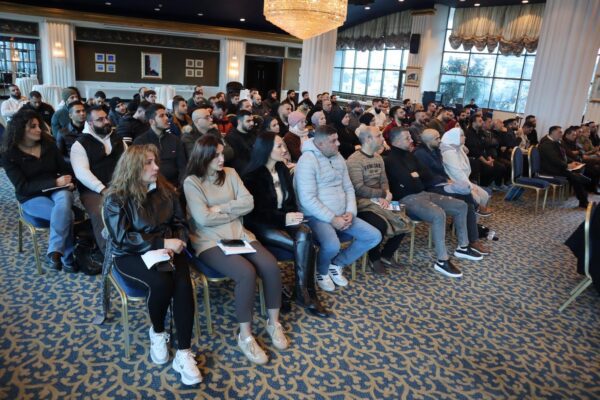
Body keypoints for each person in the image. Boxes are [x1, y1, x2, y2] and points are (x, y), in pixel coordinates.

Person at [184, 135, 288, 364]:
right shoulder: (192, 182)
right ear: (203, 157)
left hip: (239, 235)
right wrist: (233, 211)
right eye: (216, 155)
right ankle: (245, 336)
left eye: (222, 153)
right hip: (209, 241)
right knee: (246, 273)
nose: (222, 159)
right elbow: (202, 219)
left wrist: (220, 208)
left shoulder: (231, 173)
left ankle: (274, 323)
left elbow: (248, 203)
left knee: (271, 266)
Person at [103, 144, 201, 385]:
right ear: (133, 167)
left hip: (168, 248)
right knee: (161, 283)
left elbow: (180, 223)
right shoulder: (116, 198)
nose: (156, 167)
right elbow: (122, 238)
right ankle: (157, 331)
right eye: (148, 163)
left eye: (155, 161)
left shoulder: (167, 191)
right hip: (130, 253)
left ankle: (184, 352)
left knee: (183, 286)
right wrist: (160, 242)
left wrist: (178, 242)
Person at [243, 132, 329, 317]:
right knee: (307, 247)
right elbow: (255, 213)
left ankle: (301, 291)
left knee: (305, 232)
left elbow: (290, 201)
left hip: (284, 219)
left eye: (283, 145)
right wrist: (284, 219)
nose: (285, 149)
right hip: (262, 225)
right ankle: (306, 294)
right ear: (266, 150)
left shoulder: (282, 169)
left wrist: (292, 215)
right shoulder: (252, 176)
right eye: (279, 146)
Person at [384, 127, 483, 278]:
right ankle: (442, 260)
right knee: (438, 214)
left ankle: (463, 247)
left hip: (423, 193)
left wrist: (415, 176)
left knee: (461, 206)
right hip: (406, 199)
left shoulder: (410, 155)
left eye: (410, 137)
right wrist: (415, 176)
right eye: (407, 138)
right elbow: (407, 181)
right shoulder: (390, 159)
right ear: (396, 141)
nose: (411, 140)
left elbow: (426, 174)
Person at [294, 125, 382, 291]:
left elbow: (348, 187)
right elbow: (307, 199)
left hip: (342, 213)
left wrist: (350, 212)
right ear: (320, 144)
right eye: (333, 141)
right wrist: (333, 218)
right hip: (316, 216)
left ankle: (336, 264)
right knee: (332, 245)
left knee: (373, 236)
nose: (338, 143)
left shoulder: (338, 156)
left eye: (337, 139)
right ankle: (321, 271)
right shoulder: (307, 161)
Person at [2, 109, 76, 272]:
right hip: (31, 196)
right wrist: (54, 181)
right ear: (20, 130)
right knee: (68, 215)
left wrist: (70, 182)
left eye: (39, 125)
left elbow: (65, 169)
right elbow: (22, 187)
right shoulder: (9, 155)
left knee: (64, 198)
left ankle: (55, 251)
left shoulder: (48, 144)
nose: (39, 130)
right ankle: (67, 258)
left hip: (57, 189)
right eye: (33, 126)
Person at [346, 127, 408, 274]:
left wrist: (386, 194)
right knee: (379, 225)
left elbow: (384, 180)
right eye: (379, 136)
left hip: (380, 200)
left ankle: (386, 255)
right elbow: (359, 188)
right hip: (362, 203)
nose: (382, 138)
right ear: (368, 139)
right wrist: (382, 194)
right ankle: (374, 258)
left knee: (404, 217)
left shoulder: (378, 157)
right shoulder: (354, 160)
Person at [71, 106, 126, 255]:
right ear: (90, 123)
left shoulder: (117, 139)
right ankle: (109, 254)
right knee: (100, 212)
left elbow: (128, 163)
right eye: (100, 120)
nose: (106, 121)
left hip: (119, 185)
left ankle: (135, 244)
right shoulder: (80, 144)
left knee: (139, 203)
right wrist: (102, 189)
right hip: (93, 190)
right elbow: (81, 173)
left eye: (106, 118)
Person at [134, 103, 187, 188]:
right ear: (152, 121)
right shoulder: (141, 142)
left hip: (175, 185)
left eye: (166, 115)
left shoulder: (175, 140)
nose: (167, 118)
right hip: (152, 186)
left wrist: (180, 186)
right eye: (161, 116)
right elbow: (139, 170)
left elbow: (182, 167)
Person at [439, 128, 492, 211]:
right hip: (454, 182)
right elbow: (457, 173)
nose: (465, 137)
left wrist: (463, 146)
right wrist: (470, 187)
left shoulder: (457, 148)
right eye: (462, 135)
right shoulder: (449, 152)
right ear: (454, 137)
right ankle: (471, 217)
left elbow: (464, 152)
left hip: (463, 181)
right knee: (476, 198)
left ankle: (476, 217)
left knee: (484, 195)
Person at [538, 126, 590, 208]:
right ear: (552, 132)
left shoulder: (555, 141)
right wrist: (567, 165)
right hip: (548, 170)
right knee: (576, 177)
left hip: (556, 167)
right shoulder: (546, 143)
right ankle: (584, 201)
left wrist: (572, 162)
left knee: (576, 175)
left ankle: (584, 198)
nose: (561, 134)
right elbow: (554, 159)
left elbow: (563, 156)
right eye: (559, 132)